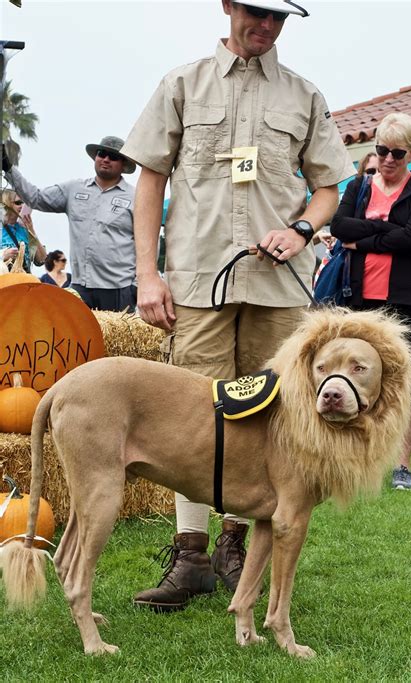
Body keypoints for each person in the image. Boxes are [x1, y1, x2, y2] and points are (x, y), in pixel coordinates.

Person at [121, 0, 355, 612]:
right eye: (257, 11)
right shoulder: (181, 84)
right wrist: (148, 273)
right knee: (191, 413)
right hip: (198, 281)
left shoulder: (305, 96)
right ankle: (190, 554)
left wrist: (302, 228)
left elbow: (330, 185)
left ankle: (233, 547)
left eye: (280, 18)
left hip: (281, 289)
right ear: (228, 6)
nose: (268, 26)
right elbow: (150, 178)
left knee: (269, 416)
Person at [330, 112, 411, 491]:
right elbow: (339, 227)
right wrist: (387, 230)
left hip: (407, 300)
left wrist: (365, 238)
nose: (389, 159)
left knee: (406, 381)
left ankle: (402, 466)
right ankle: (352, 459)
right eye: (382, 150)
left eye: (397, 152)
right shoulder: (358, 186)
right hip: (357, 296)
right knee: (354, 374)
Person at [2, 136, 136, 311]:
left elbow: (148, 243)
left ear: (123, 164)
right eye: (102, 153)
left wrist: (137, 286)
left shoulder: (135, 197)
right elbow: (36, 197)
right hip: (80, 287)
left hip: (118, 289)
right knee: (76, 338)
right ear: (95, 157)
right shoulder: (74, 189)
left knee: (116, 339)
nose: (106, 159)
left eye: (113, 156)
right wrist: (9, 168)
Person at [1, 189, 46, 271]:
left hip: (22, 281)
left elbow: (41, 260)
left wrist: (31, 230)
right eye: (18, 203)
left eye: (24, 203)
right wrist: (3, 256)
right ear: (6, 204)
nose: (22, 206)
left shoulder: (24, 229)